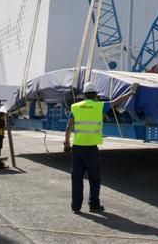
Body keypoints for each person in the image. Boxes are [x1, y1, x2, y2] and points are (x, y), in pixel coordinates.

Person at [63, 80, 138, 214]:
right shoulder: (100, 106)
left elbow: (68, 126)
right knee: (94, 178)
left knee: (77, 179)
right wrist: (131, 92)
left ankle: (76, 206)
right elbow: (117, 100)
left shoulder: (75, 107)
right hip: (91, 149)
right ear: (95, 94)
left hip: (77, 148)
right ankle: (94, 205)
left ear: (84, 94)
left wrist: (67, 143)